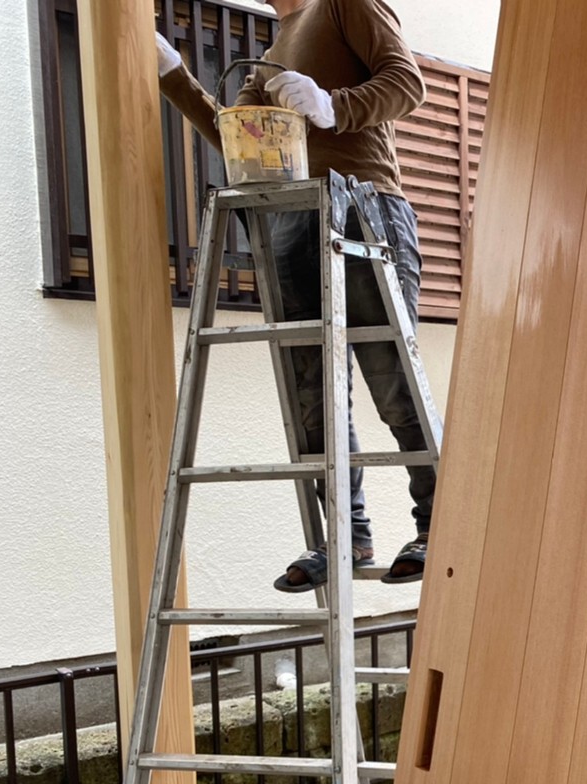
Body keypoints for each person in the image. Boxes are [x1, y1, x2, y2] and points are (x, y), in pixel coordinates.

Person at [154, 0, 434, 591]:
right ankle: (346, 536)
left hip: (364, 208)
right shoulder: (268, 58)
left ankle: (439, 524)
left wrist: (334, 105)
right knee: (312, 393)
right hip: (292, 214)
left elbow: (407, 84)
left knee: (392, 381)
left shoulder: (344, 5)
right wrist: (175, 76)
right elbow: (238, 140)